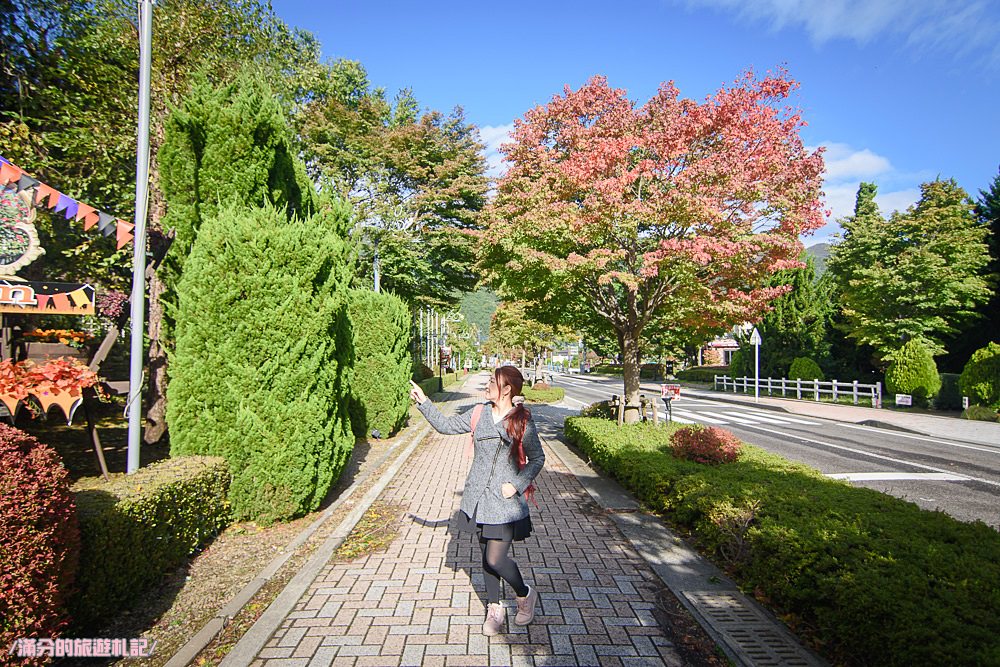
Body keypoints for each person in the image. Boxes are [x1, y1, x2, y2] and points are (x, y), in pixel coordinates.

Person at [409, 366, 545, 636]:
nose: (486, 386)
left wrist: (516, 485)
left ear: (506, 389)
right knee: (485, 556)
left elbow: (538, 459)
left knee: (496, 559)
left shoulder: (522, 421)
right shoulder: (479, 413)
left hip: (505, 503)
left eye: (492, 382)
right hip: (477, 498)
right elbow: (446, 426)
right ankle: (494, 608)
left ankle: (524, 593)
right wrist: (424, 402)